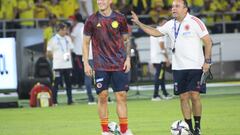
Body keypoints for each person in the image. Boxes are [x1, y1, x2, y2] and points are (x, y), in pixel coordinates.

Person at [131, 0, 212, 134]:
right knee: (183, 97)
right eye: (172, 6)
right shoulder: (170, 24)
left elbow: (208, 41)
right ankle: (188, 128)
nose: (173, 9)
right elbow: (155, 32)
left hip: (196, 66)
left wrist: (207, 61)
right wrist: (139, 23)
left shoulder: (195, 21)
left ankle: (197, 127)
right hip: (178, 67)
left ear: (185, 9)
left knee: (195, 96)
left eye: (177, 6)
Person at [82, 0, 133, 135]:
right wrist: (86, 63)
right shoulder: (91, 20)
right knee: (102, 96)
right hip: (100, 65)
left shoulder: (120, 18)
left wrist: (128, 58)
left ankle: (124, 130)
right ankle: (105, 131)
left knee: (121, 96)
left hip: (118, 63)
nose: (100, 1)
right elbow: (85, 43)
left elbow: (127, 40)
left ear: (110, 1)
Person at [47, 22, 74, 105]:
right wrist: (55, 59)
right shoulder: (52, 40)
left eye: (66, 30)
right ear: (59, 30)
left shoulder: (68, 39)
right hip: (57, 65)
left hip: (67, 65)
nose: (65, 31)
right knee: (56, 84)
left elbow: (71, 49)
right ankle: (54, 101)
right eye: (64, 30)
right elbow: (48, 52)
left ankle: (70, 100)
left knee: (68, 83)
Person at [150, 17, 172, 101]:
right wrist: (167, 58)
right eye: (165, 22)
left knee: (161, 77)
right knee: (159, 77)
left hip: (156, 58)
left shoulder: (154, 31)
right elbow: (161, 45)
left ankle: (164, 93)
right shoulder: (160, 31)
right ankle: (155, 95)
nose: (167, 24)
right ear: (160, 23)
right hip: (160, 58)